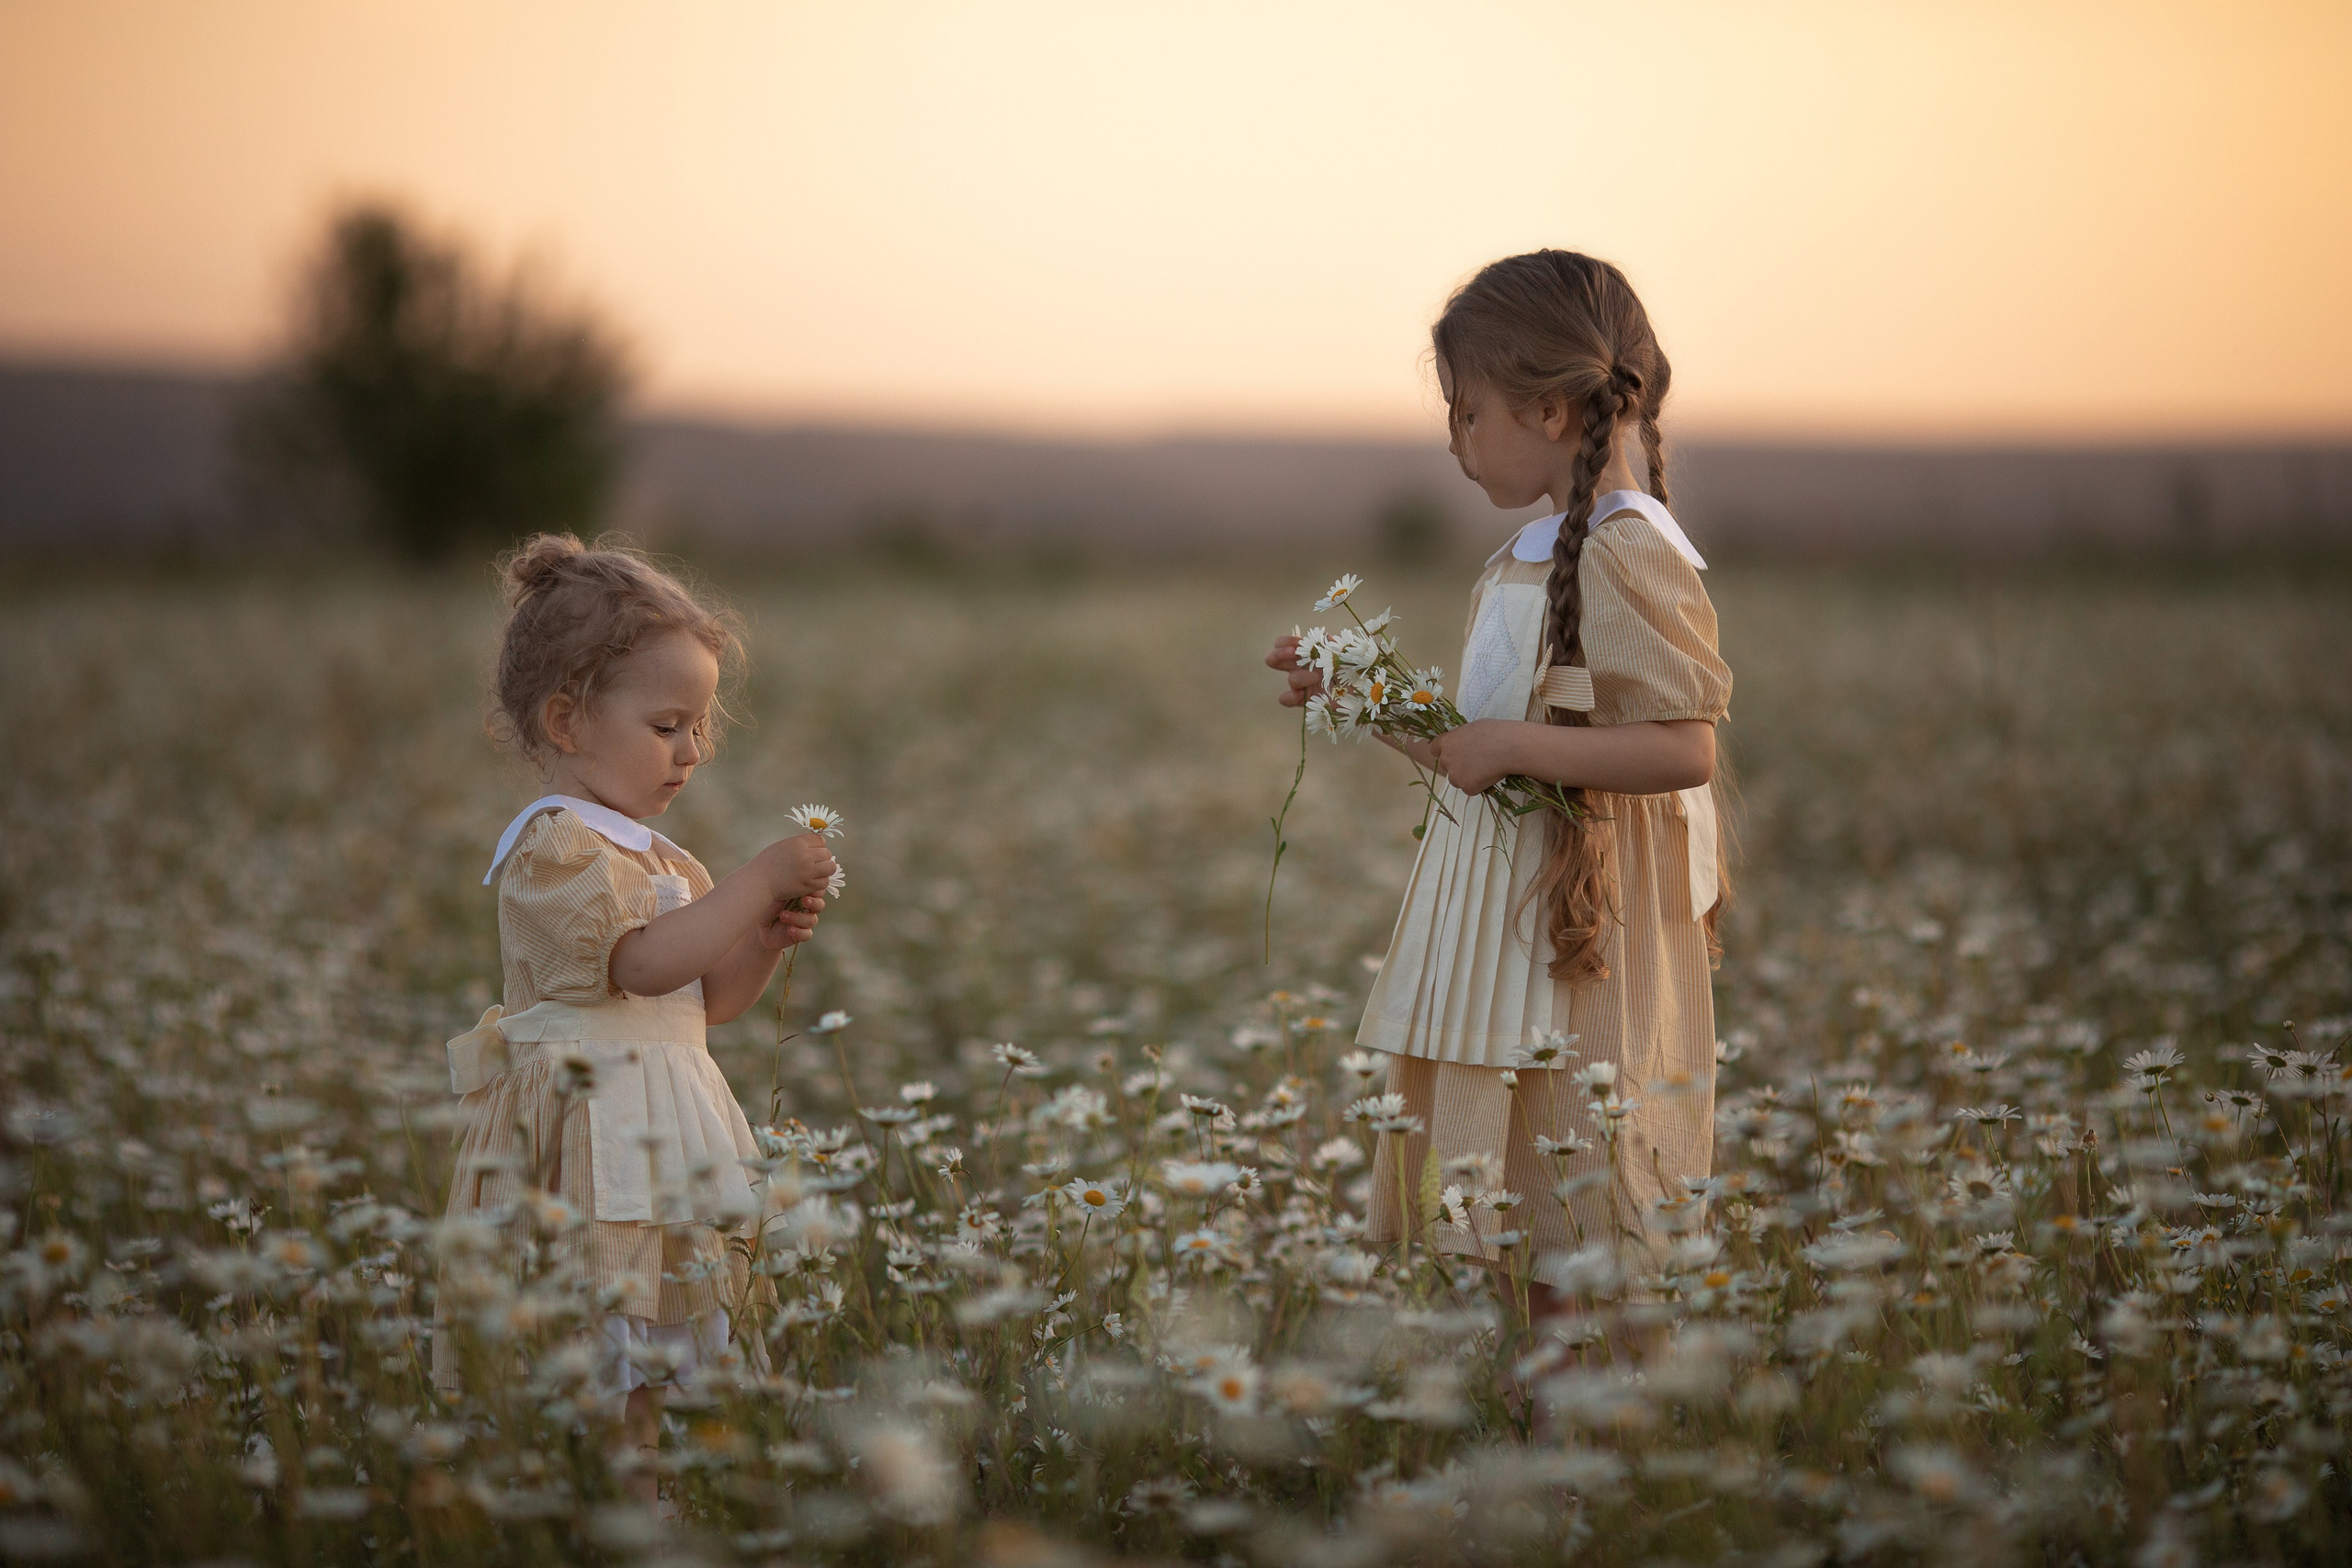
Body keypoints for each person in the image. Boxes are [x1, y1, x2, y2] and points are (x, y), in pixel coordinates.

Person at [1267, 251, 1731, 1320]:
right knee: (1528, 1239)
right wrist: (1358, 696)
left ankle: (1583, 1462)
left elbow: (1683, 748)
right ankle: (1544, 1449)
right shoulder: (1530, 553)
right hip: (1510, 942)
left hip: (1583, 952)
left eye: (1467, 412)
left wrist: (1514, 746)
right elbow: (1479, 752)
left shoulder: (1626, 551)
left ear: (1553, 411)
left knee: (1583, 1234)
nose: (1454, 440)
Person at [434, 534, 839, 1503]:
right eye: (667, 726)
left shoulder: (654, 857)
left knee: (653, 1355)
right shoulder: (556, 848)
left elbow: (702, 1005)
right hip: (588, 1141)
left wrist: (760, 938)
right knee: (593, 1351)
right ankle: (597, 1510)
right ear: (567, 721)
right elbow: (639, 965)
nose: (691, 753)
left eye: (699, 729)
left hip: (660, 1134)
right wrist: (754, 882)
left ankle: (639, 1509)